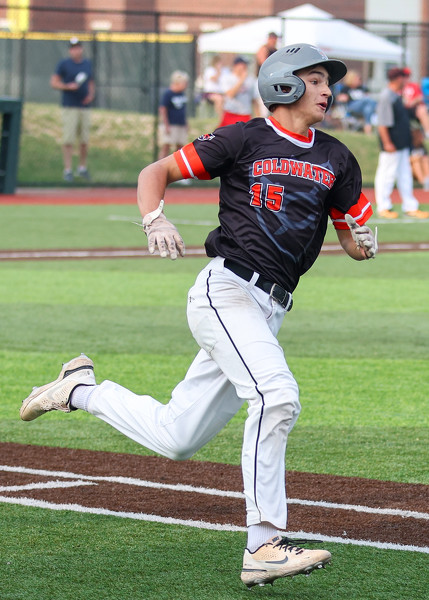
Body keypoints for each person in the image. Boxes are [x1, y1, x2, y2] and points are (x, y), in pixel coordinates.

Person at [20, 43, 378, 589]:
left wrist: (362, 244)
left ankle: (78, 390)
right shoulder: (243, 137)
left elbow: (351, 237)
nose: (328, 89)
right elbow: (157, 170)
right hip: (228, 291)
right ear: (282, 84)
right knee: (277, 396)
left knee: (177, 436)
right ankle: (263, 545)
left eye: (328, 80)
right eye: (315, 78)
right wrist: (154, 219)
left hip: (271, 308)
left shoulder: (338, 158)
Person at [374, 67, 429, 219]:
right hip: (393, 144)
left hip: (402, 144)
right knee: (386, 175)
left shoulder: (396, 95)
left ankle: (410, 206)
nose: (407, 81)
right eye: (405, 77)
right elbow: (382, 123)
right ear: (399, 78)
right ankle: (383, 207)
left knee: (405, 176)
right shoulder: (387, 96)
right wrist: (387, 143)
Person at [50, 37, 95, 182]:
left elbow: (91, 82)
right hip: (70, 106)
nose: (76, 50)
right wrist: (67, 86)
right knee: (68, 139)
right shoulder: (64, 64)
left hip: (84, 107)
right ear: (70, 50)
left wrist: (90, 95)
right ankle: (68, 170)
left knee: (84, 140)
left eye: (78, 47)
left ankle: (82, 168)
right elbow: (54, 82)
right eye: (73, 48)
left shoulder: (87, 64)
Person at [218, 56, 260, 127]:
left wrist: (258, 117)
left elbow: (254, 100)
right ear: (236, 65)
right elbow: (230, 95)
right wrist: (241, 80)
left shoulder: (251, 80)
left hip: (244, 114)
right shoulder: (228, 78)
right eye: (242, 64)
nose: (245, 67)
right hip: (230, 113)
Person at [158, 70, 189, 160]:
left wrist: (186, 123)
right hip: (171, 124)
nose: (186, 85)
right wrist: (166, 125)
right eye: (184, 83)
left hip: (181, 124)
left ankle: (177, 167)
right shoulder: (168, 94)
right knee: (166, 146)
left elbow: (183, 110)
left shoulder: (182, 94)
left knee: (180, 149)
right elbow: (163, 109)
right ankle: (159, 166)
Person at [334, 70, 377, 135]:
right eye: (358, 79)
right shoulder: (346, 88)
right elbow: (340, 98)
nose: (360, 80)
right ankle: (368, 126)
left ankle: (367, 127)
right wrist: (346, 97)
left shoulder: (362, 88)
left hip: (362, 110)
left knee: (368, 108)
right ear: (351, 79)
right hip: (351, 107)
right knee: (367, 100)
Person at [402, 68, 429, 137]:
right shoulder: (400, 87)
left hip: (414, 108)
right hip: (403, 108)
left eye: (407, 76)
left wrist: (412, 102)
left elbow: (420, 97)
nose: (406, 78)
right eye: (404, 76)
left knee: (422, 109)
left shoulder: (414, 86)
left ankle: (427, 132)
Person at [409, 122, 429, 190]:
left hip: (422, 167)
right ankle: (424, 182)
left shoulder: (422, 147)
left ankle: (427, 180)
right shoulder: (409, 147)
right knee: (416, 162)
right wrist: (416, 158)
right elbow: (405, 160)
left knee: (425, 160)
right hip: (410, 169)